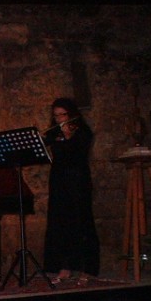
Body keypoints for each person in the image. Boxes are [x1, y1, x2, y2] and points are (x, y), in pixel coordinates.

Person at [42, 98, 100, 285]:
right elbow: (45, 145)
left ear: (71, 114)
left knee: (81, 222)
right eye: (56, 115)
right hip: (59, 180)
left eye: (63, 115)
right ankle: (64, 267)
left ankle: (87, 268)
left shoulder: (83, 131)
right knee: (60, 223)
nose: (59, 119)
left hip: (77, 180)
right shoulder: (54, 132)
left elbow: (79, 154)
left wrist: (68, 136)